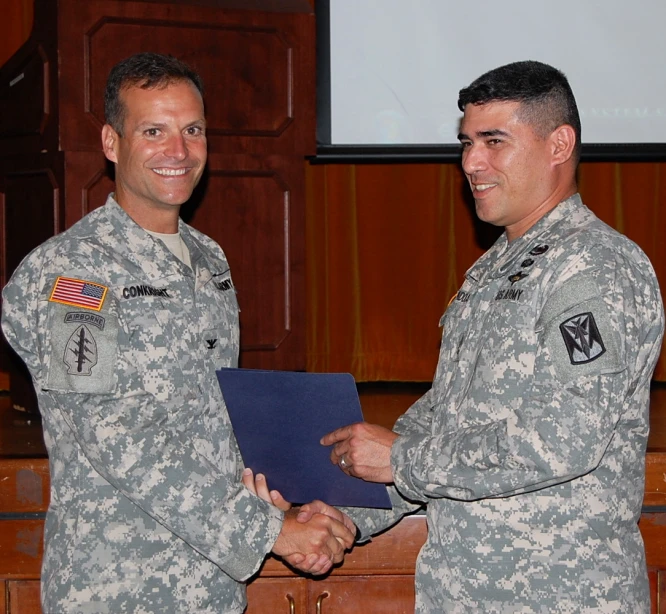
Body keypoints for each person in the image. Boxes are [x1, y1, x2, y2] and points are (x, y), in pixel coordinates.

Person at [1, 52, 355, 614]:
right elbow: (119, 437)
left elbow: (213, 416)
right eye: (154, 131)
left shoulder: (207, 260)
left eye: (192, 130)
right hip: (117, 588)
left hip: (209, 585)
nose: (179, 151)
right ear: (111, 143)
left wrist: (306, 496)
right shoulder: (71, 275)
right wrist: (269, 532)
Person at [315, 61, 664, 612]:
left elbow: (563, 438)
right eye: (466, 143)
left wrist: (403, 459)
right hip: (468, 595)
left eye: (493, 141)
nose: (471, 163)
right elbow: (448, 415)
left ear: (559, 144)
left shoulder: (592, 267)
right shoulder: (494, 268)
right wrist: (344, 514)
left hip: (559, 597)